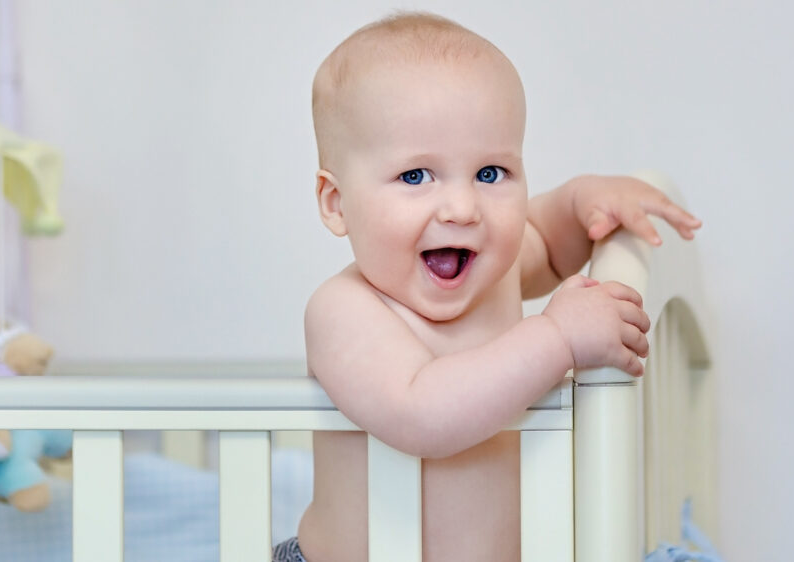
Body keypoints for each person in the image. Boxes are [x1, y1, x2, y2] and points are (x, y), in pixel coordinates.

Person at [275, 11, 702, 562]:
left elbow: (547, 241)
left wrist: (582, 203)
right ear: (337, 203)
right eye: (415, 176)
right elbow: (421, 412)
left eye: (490, 173)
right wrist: (556, 337)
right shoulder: (345, 310)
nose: (462, 208)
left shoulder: (494, 274)